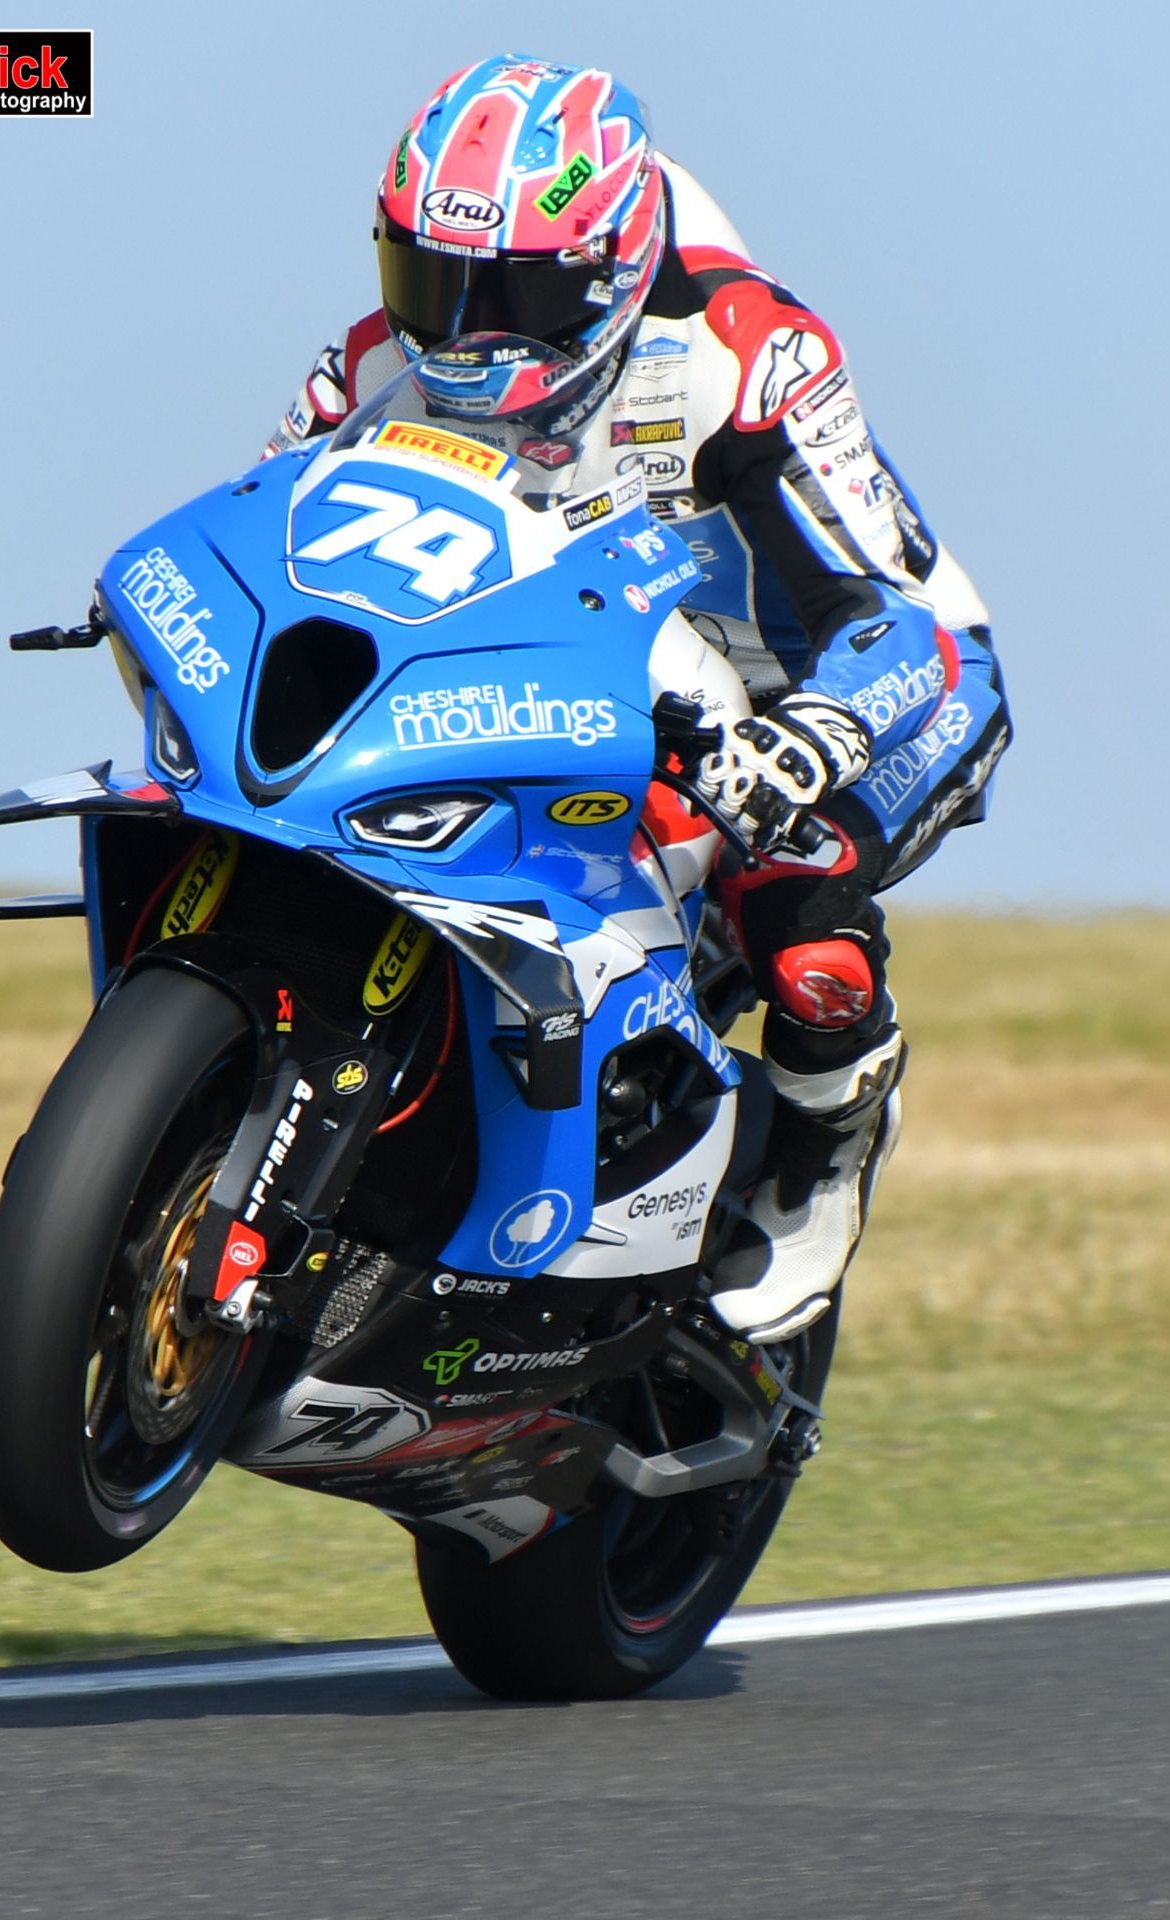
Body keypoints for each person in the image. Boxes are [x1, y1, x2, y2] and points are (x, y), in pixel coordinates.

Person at [264, 55, 1011, 1343]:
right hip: (602, 664)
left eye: (517, 297)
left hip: (858, 676)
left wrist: (811, 735)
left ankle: (828, 1147)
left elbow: (892, 613)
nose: (465, 331)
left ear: (612, 268)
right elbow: (274, 535)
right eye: (437, 283)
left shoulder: (745, 353)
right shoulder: (375, 363)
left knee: (794, 883)